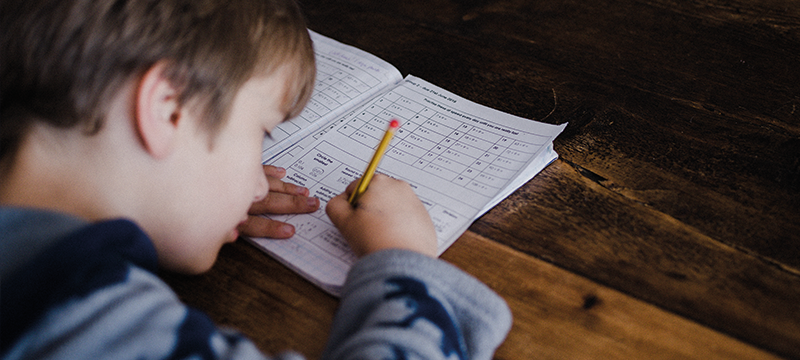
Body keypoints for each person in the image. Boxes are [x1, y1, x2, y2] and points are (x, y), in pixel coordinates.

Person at [0, 0, 512, 359]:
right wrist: (404, 265)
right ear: (169, 109)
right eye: (261, 133)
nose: (261, 185)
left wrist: (177, 204)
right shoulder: (75, 317)